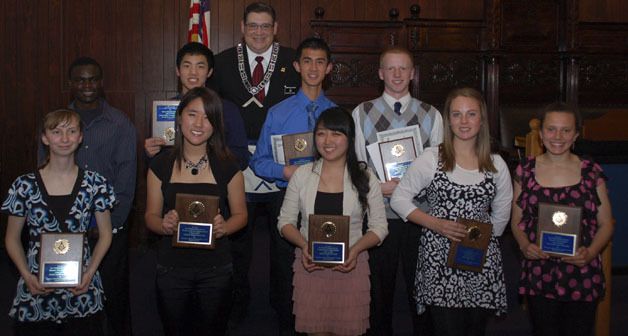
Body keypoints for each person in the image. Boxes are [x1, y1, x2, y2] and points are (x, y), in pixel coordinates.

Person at [390, 87, 512, 336]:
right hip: (438, 262)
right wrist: (435, 224)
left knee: (475, 330)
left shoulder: (496, 163)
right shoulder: (431, 158)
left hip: (479, 262)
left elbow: (501, 215)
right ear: (448, 120)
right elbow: (399, 199)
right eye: (457, 114)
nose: (464, 121)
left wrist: (483, 242)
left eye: (471, 114)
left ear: (482, 119)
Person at [209, 3, 300, 322]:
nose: (259, 32)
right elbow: (211, 114)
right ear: (242, 27)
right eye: (253, 26)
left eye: (265, 26)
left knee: (283, 241)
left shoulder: (294, 61)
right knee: (238, 243)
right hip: (238, 165)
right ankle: (237, 305)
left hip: (283, 165)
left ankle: (283, 306)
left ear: (276, 28)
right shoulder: (220, 63)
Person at [37, 57, 137, 336]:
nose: (87, 85)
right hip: (65, 230)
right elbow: (43, 176)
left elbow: (127, 181)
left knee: (115, 292)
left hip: (109, 227)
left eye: (92, 79)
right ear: (71, 84)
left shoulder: (120, 124)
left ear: (101, 83)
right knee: (65, 293)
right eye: (80, 80)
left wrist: (111, 225)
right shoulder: (56, 123)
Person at [351, 46, 443, 335]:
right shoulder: (362, 112)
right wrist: (381, 188)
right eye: (391, 68)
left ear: (413, 73)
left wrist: (405, 189)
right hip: (380, 216)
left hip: (420, 214)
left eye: (404, 68)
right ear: (380, 73)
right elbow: (357, 164)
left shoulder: (432, 114)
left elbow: (437, 166)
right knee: (380, 290)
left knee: (421, 288)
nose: (397, 74)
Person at [144, 87, 247, 335]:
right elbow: (150, 216)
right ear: (179, 118)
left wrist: (226, 227)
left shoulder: (228, 164)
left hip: (216, 270)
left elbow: (241, 215)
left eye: (208, 117)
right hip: (171, 268)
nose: (199, 123)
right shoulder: (160, 164)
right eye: (192, 114)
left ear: (216, 124)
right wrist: (164, 225)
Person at [250, 36, 336, 333]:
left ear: (329, 68)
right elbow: (258, 162)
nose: (313, 68)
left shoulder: (338, 115)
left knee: (325, 261)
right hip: (287, 199)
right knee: (285, 268)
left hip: (328, 199)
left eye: (320, 61)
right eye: (308, 61)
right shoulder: (278, 113)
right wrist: (283, 171)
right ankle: (287, 323)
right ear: (298, 66)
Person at [277, 107, 388, 335]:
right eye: (321, 133)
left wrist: (355, 250)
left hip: (352, 269)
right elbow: (285, 221)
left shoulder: (365, 178)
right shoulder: (303, 174)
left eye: (336, 134)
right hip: (310, 266)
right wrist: (304, 245)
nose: (328, 141)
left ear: (349, 138)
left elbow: (379, 227)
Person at [3, 109, 114, 335]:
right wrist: (26, 276)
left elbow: (106, 234)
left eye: (71, 131)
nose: (64, 139)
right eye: (57, 132)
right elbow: (12, 238)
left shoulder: (96, 184)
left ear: (80, 137)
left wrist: (90, 273)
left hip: (82, 286)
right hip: (36, 286)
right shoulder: (23, 185)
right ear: (45, 137)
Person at [510, 102, 613, 336]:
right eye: (551, 129)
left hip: (581, 272)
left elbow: (606, 223)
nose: (558, 136)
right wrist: (525, 245)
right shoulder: (525, 171)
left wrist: (591, 253)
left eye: (566, 130)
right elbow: (516, 221)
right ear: (541, 133)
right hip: (539, 272)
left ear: (576, 134)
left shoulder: (591, 171)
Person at [144, 42, 249, 170]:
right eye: (187, 66)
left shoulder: (227, 109)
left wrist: (209, 158)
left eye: (200, 67)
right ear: (178, 70)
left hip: (215, 183)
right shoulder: (162, 110)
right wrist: (150, 153)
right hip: (173, 182)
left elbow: (242, 158)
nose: (193, 73)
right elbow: (155, 163)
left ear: (209, 72)